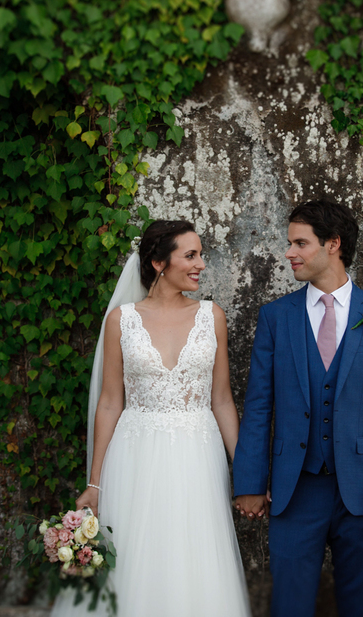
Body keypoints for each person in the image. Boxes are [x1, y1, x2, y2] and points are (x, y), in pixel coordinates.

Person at [51, 220, 250, 617]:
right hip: (134, 453)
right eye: (190, 255)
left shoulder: (213, 316)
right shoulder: (121, 321)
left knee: (193, 557)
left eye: (200, 254)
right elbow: (109, 402)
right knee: (135, 555)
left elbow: (223, 400)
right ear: (159, 262)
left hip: (198, 453)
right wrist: (94, 482)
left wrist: (246, 470)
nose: (201, 264)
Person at [233, 200, 363, 617]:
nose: (289, 253)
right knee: (289, 606)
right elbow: (258, 406)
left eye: (300, 243)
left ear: (333, 244)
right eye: (289, 242)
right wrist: (250, 482)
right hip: (296, 490)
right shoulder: (276, 317)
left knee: (358, 605)